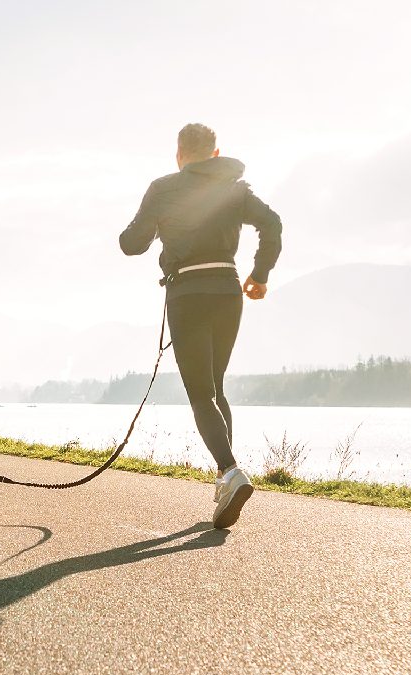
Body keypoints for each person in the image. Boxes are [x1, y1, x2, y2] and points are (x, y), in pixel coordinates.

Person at [119, 123, 282, 529]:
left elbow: (130, 244)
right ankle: (226, 476)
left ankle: (229, 472)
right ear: (215, 153)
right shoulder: (235, 188)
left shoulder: (163, 188)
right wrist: (259, 274)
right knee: (216, 386)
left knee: (200, 394)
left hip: (188, 292)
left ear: (178, 155)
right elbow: (273, 223)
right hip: (228, 290)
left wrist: (156, 224)